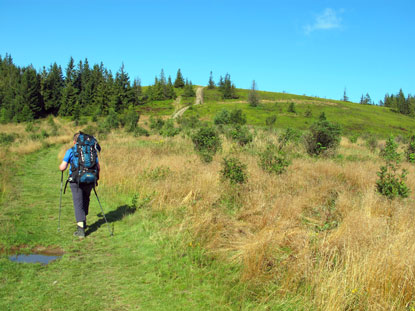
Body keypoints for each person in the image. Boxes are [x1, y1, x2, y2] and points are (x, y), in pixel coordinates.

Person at [59, 133, 100, 238]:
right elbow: (98, 167)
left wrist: (61, 166)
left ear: (74, 141)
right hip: (90, 179)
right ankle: (84, 220)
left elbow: (63, 167)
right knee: (86, 199)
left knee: (78, 203)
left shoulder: (71, 151)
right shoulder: (92, 151)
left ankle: (81, 230)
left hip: (75, 181)